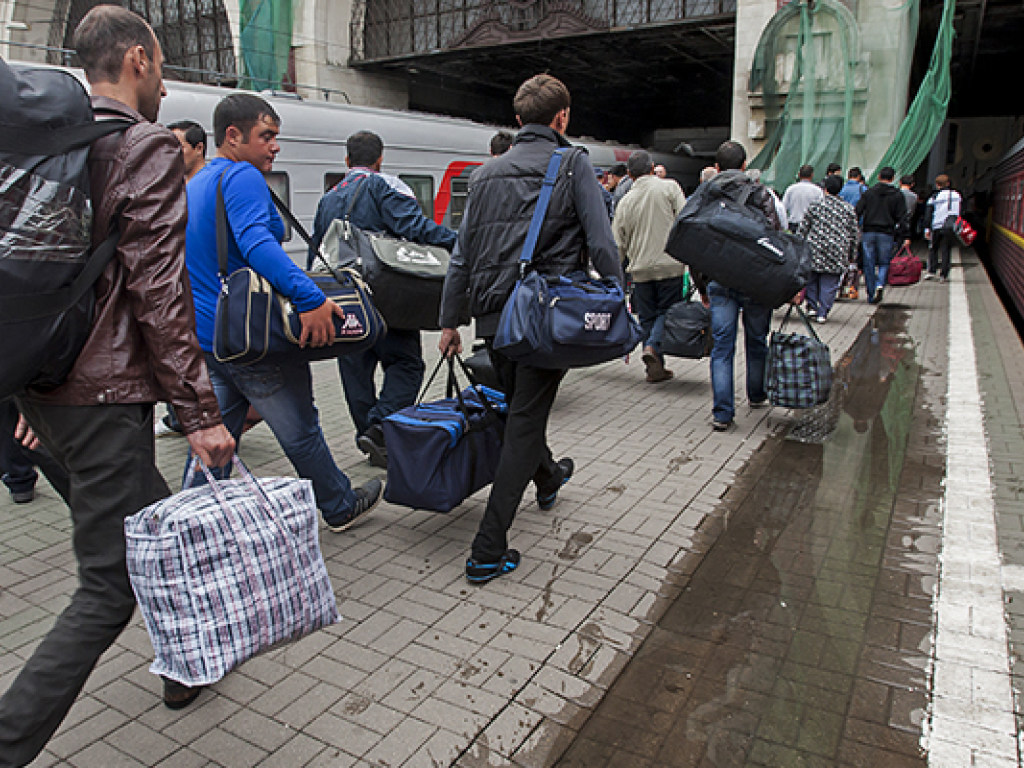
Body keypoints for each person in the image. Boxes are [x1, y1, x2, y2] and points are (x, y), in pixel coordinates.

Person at [0, 7, 237, 763]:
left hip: (46, 387)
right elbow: (158, 293)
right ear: (138, 59)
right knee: (109, 584)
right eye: (162, 64)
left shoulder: (44, 145)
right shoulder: (144, 146)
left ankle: (183, 669)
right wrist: (199, 411)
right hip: (100, 400)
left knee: (154, 534)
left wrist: (30, 393)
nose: (164, 80)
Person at [438, 73, 622, 583]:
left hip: (494, 319)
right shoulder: (572, 163)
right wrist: (617, 296)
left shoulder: (485, 175)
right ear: (562, 117)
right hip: (545, 320)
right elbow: (601, 241)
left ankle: (549, 477)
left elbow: (462, 255)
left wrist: (452, 320)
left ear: (518, 120)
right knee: (523, 421)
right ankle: (487, 549)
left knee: (522, 410)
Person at [183, 93, 383, 530]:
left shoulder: (195, 183)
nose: (275, 146)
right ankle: (339, 505)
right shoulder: (242, 178)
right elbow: (259, 246)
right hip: (254, 340)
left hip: (213, 339)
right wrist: (311, 299)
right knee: (300, 431)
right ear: (232, 136)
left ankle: (187, 523)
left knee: (217, 437)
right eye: (267, 136)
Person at [308, 131, 457, 467]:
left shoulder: (327, 199)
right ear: (379, 159)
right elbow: (417, 229)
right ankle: (378, 430)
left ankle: (370, 434)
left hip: (345, 300)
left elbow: (317, 254)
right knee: (406, 363)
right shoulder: (382, 186)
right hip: (387, 299)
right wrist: (458, 241)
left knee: (354, 367)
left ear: (346, 161)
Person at [690, 141, 781, 431]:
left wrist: (701, 286)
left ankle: (722, 414)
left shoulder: (705, 196)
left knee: (722, 348)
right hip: (755, 281)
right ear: (744, 166)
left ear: (716, 168)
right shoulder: (761, 194)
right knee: (757, 341)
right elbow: (775, 238)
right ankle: (756, 395)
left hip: (721, 281)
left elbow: (694, 244)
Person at [612, 149, 687, 382]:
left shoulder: (625, 201)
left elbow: (617, 243)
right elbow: (685, 220)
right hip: (669, 264)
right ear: (653, 167)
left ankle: (654, 368)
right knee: (667, 311)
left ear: (629, 174)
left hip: (640, 269)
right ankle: (653, 348)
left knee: (646, 316)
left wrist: (615, 273)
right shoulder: (670, 188)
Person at [797, 175, 860, 323]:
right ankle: (823, 312)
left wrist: (798, 246)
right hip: (837, 251)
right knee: (830, 283)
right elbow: (853, 234)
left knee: (811, 279)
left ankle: (812, 306)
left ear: (824, 189)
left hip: (814, 248)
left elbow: (803, 228)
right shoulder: (848, 209)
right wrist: (852, 254)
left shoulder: (815, 206)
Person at [855, 165, 909, 304]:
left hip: (869, 231)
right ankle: (880, 284)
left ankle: (871, 293)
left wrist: (855, 227)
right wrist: (905, 235)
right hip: (887, 232)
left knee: (869, 263)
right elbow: (902, 217)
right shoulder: (897, 195)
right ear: (893, 178)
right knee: (884, 262)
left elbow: (858, 210)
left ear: (879, 177)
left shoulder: (869, 192)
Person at [923, 174, 961, 282]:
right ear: (948, 183)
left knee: (933, 248)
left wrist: (927, 228)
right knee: (946, 250)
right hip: (950, 226)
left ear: (937, 185)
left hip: (937, 226)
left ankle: (932, 270)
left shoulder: (934, 197)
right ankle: (944, 275)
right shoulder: (957, 195)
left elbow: (928, 214)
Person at [781, 164, 823, 233]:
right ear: (812, 175)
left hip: (793, 224)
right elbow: (821, 210)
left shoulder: (790, 189)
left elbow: (783, 208)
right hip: (810, 226)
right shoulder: (817, 191)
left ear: (799, 174)